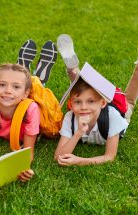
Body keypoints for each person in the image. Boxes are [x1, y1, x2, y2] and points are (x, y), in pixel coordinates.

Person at [54, 34, 138, 166]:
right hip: (98, 105)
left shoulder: (112, 116)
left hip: (115, 112)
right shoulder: (70, 117)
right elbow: (58, 156)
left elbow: (110, 156)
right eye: (77, 102)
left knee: (129, 101)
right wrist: (79, 133)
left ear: (103, 103)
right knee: (83, 89)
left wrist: (80, 161)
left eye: (90, 102)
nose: (83, 107)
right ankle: (74, 72)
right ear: (71, 103)